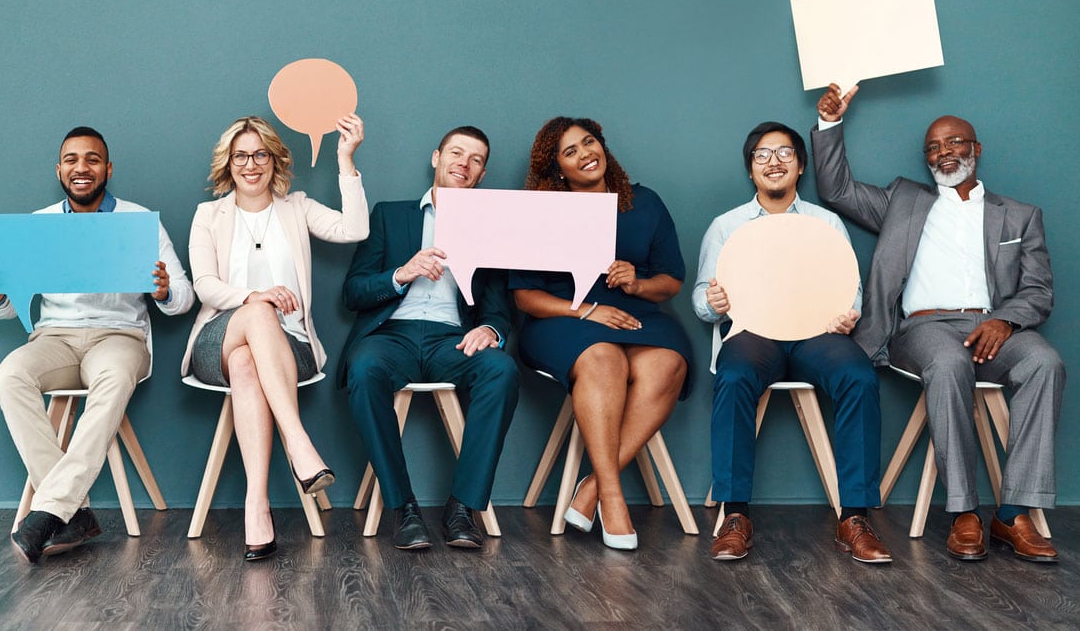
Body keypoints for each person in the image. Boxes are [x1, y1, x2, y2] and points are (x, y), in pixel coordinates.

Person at [814, 83, 1065, 563]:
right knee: (949, 364)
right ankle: (964, 513)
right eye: (933, 147)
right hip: (923, 330)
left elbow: (1038, 290)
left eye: (954, 142)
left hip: (996, 328)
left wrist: (1005, 320)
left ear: (976, 149)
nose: (943, 152)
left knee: (1046, 363)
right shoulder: (902, 201)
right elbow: (836, 189)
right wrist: (830, 122)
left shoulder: (1020, 215)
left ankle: (1012, 513)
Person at [0, 126, 194, 564]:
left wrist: (163, 290)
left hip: (119, 336)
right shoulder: (40, 224)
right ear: (59, 170)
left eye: (92, 159)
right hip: (54, 337)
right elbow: (8, 308)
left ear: (107, 169)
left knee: (114, 377)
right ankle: (71, 511)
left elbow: (184, 299)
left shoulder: (139, 220)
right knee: (9, 375)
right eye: (72, 160)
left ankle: (51, 509)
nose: (82, 168)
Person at [692, 121, 891, 564]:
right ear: (751, 170)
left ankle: (854, 517)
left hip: (817, 334)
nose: (774, 162)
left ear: (800, 165)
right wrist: (713, 301)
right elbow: (700, 301)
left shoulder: (826, 222)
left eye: (784, 153)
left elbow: (850, 287)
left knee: (859, 376)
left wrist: (847, 314)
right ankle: (735, 514)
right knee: (735, 373)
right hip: (754, 334)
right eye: (762, 155)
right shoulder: (726, 226)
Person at [182, 115, 369, 562]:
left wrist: (346, 160)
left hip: (291, 349)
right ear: (228, 163)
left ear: (274, 159)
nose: (251, 164)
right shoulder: (209, 215)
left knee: (251, 364)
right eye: (241, 156)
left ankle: (256, 507)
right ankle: (299, 445)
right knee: (257, 315)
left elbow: (355, 230)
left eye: (260, 154)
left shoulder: (296, 207)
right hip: (218, 342)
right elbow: (205, 286)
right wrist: (255, 297)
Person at [511, 117, 692, 551]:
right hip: (563, 318)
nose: (584, 154)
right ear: (557, 169)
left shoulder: (645, 203)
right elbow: (524, 296)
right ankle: (613, 499)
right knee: (603, 357)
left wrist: (637, 285)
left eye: (588, 142)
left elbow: (672, 281)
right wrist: (588, 311)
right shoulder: (540, 213)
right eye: (569, 151)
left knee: (669, 362)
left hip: (636, 313)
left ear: (603, 146)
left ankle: (590, 487)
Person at [337, 126, 520, 551]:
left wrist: (490, 330)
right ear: (436, 158)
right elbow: (353, 292)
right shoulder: (390, 214)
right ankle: (403, 509)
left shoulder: (492, 227)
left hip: (452, 340)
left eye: (475, 160)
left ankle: (462, 508)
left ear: (482, 173)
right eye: (456, 153)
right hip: (390, 335)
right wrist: (402, 273)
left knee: (502, 369)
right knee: (363, 368)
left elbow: (497, 306)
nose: (464, 163)